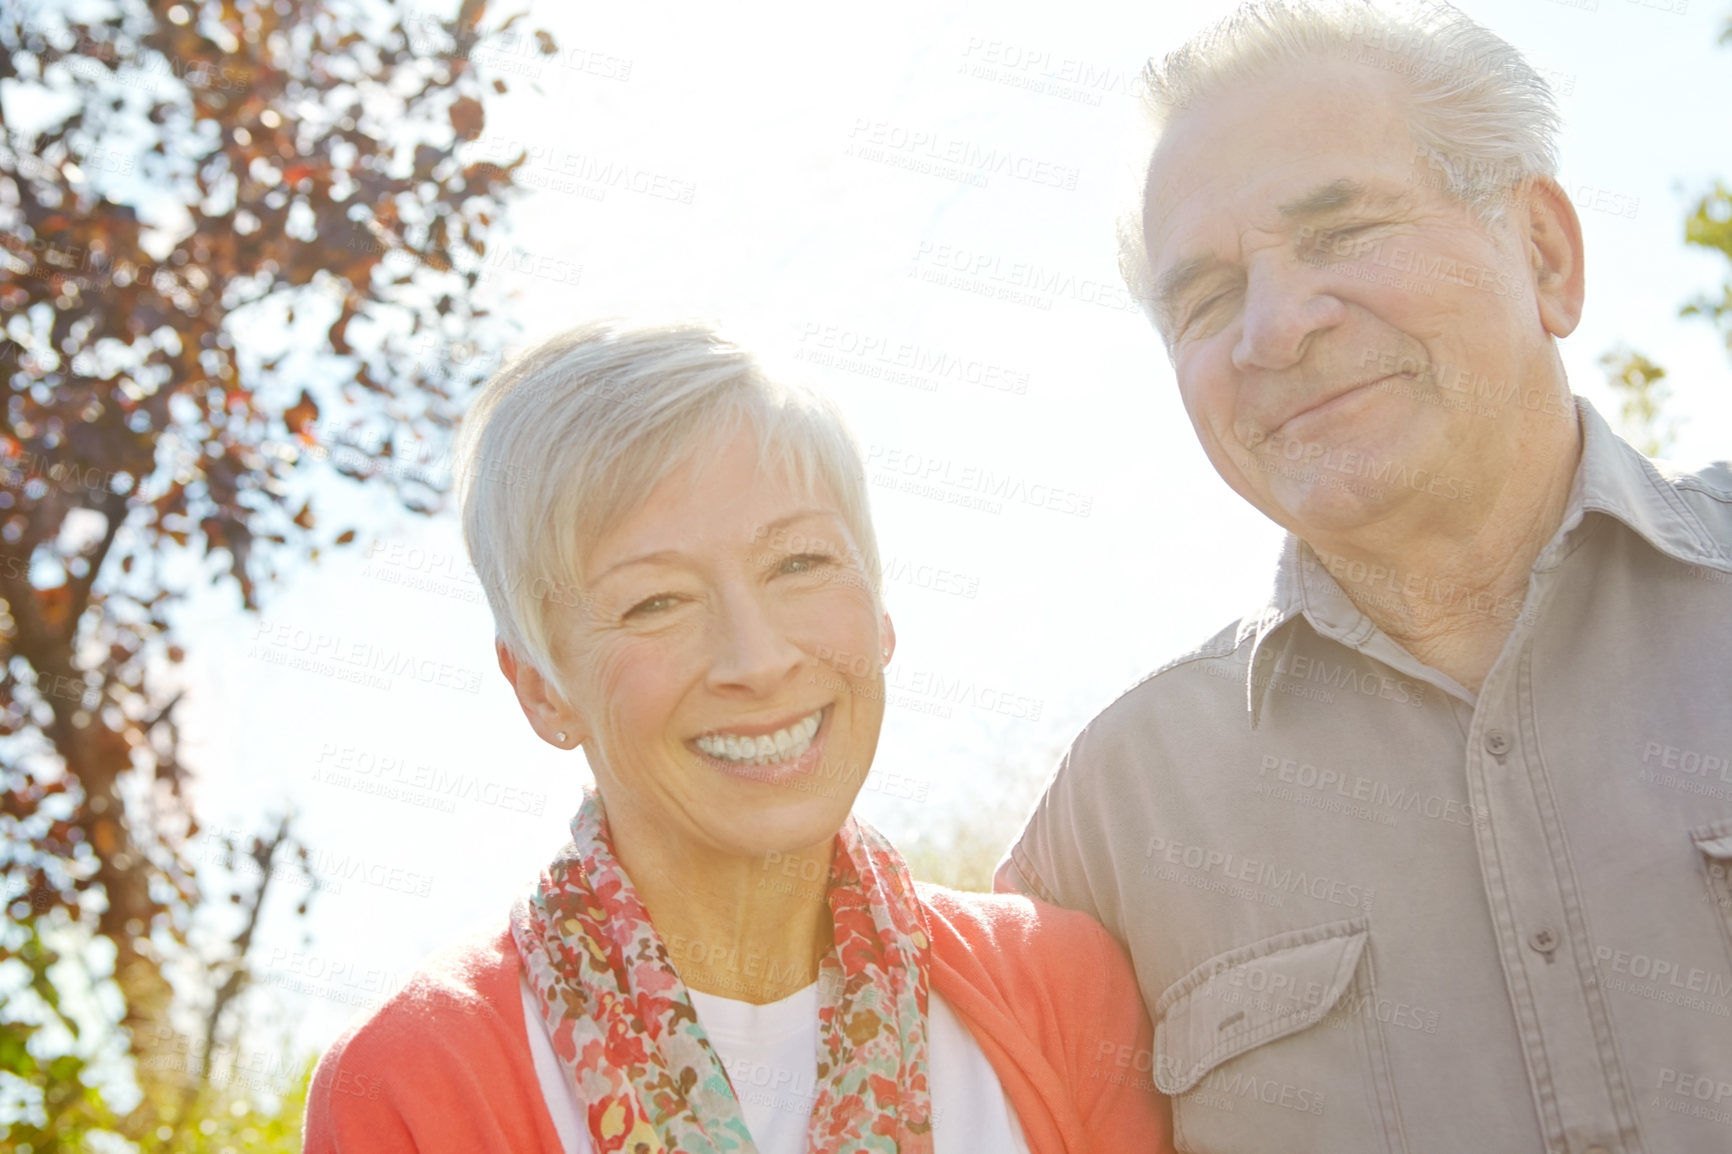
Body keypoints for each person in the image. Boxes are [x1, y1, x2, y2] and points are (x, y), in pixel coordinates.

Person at [996, 2, 1732, 1152]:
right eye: (1205, 297)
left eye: (1340, 232)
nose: (1273, 329)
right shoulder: (1118, 812)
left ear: (1542, 251)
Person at [302, 320, 1173, 1154]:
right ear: (541, 690)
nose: (755, 660)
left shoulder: (1060, 996)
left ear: (877, 610)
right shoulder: (414, 1082)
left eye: (799, 564)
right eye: (655, 602)